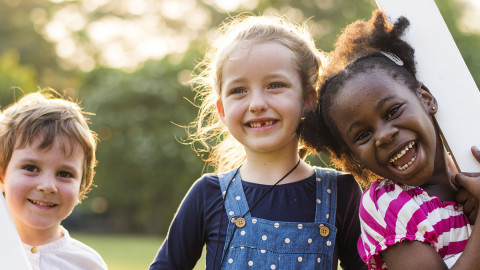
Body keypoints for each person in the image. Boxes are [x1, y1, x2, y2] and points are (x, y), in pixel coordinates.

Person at [149, 15, 367, 270]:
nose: (257, 104)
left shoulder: (342, 192)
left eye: (275, 85)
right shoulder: (208, 194)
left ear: (308, 99)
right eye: (238, 90)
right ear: (221, 110)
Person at [302, 9, 480, 270]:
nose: (384, 135)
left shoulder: (470, 164)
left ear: (426, 99)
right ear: (352, 156)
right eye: (362, 135)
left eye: (393, 111)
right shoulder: (387, 205)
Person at [0, 90, 107, 270]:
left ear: (82, 185)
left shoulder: (88, 265)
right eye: (31, 168)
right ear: (2, 173)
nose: (48, 186)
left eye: (64, 174)